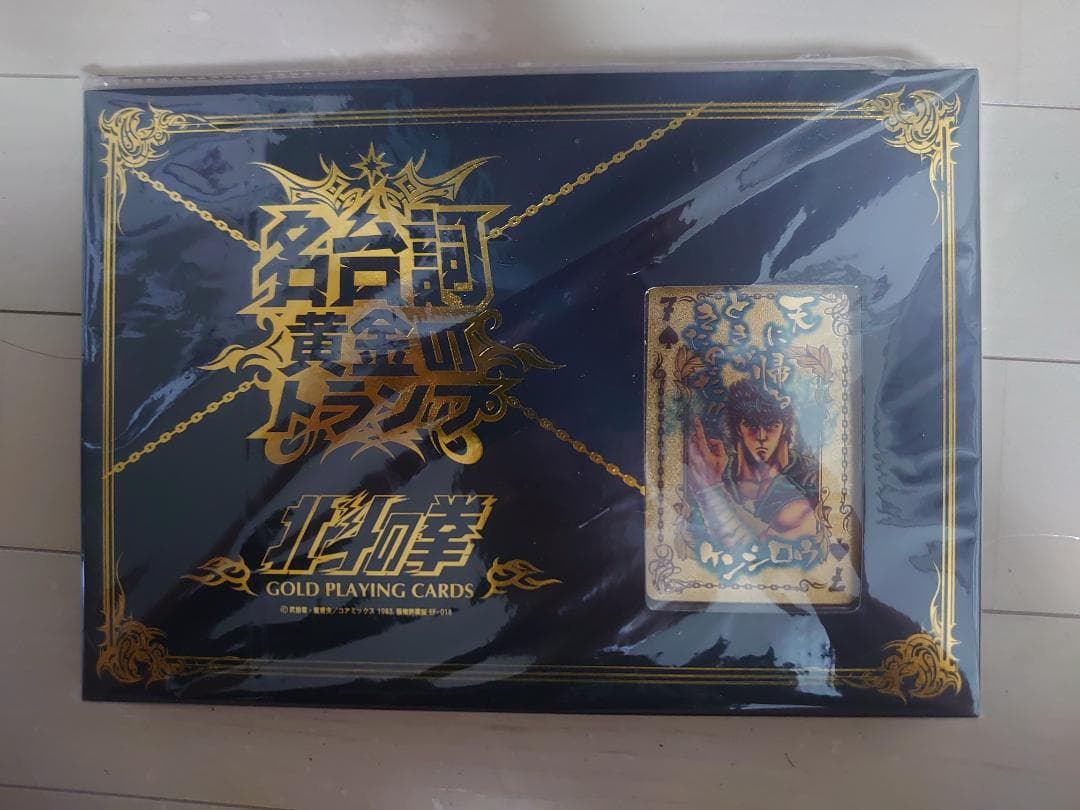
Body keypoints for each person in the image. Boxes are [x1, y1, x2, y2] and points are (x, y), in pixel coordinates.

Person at [686, 378, 822, 571]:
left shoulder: (808, 480)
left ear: (784, 427)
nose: (761, 437)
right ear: (738, 428)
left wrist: (712, 490)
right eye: (751, 425)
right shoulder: (720, 472)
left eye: (771, 426)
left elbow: (757, 553)